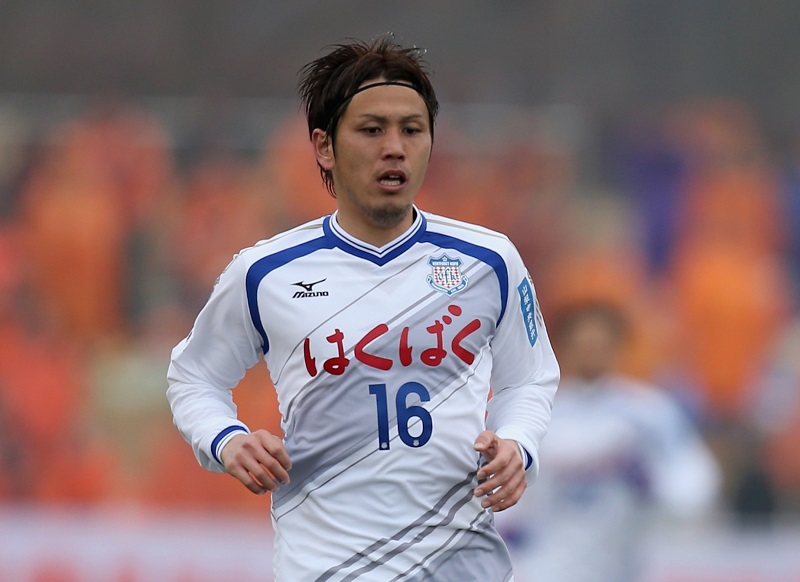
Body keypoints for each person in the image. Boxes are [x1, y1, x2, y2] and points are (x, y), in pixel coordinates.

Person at [167, 34, 559, 581]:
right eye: (372, 130)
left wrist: (518, 444)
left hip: (459, 568)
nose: (394, 147)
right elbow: (194, 378)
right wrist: (225, 440)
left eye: (412, 130)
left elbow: (530, 378)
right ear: (324, 147)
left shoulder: (489, 260)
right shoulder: (265, 272)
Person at [494, 301, 720, 582]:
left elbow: (694, 486)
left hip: (624, 565)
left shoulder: (649, 413)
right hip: (546, 567)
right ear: (561, 348)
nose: (591, 354)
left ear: (619, 346)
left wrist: (653, 483)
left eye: (600, 345)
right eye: (582, 345)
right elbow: (505, 500)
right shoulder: (535, 415)